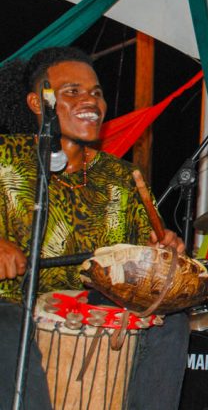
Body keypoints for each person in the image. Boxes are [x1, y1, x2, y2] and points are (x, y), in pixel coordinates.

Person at [0, 47, 188, 409]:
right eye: (73, 91)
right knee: (6, 323)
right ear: (38, 103)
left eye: (97, 92)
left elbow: (141, 271)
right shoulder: (6, 158)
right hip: (11, 304)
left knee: (170, 322)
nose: (91, 100)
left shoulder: (121, 178)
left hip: (93, 302)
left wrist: (161, 258)